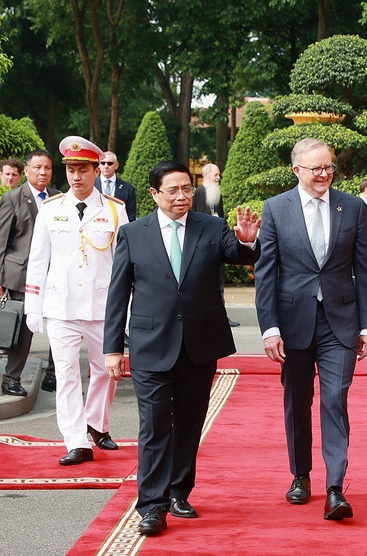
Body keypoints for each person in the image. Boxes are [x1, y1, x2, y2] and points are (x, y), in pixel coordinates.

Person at [104, 161, 261, 536]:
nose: (181, 197)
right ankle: (152, 506)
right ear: (155, 194)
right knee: (155, 427)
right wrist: (113, 348)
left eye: (187, 189)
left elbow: (241, 257)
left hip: (199, 346)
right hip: (150, 345)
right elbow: (117, 294)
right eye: (172, 190)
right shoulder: (133, 233)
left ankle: (179, 492)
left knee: (189, 425)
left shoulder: (211, 226)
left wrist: (247, 240)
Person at [254, 137, 367, 521]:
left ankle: (335, 487)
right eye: (316, 168)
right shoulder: (276, 209)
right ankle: (300, 475)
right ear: (297, 170)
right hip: (292, 324)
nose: (324, 174)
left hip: (340, 323)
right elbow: (266, 273)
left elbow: (365, 270)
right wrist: (269, 328)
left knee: (334, 400)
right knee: (297, 402)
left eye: (329, 167)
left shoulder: (353, 207)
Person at [24, 136, 128, 466]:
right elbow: (38, 260)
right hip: (61, 307)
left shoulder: (115, 210)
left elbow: (125, 265)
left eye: (82, 170)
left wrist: (126, 312)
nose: (75, 177)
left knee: (105, 370)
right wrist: (33, 306)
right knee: (67, 373)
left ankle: (96, 423)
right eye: (70, 170)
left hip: (102, 307)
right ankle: (75, 439)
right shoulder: (51, 209)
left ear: (96, 170)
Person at [0, 150, 59, 396]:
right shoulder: (13, 198)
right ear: (27, 170)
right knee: (23, 331)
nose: (43, 172)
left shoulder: (58, 198)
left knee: (60, 327)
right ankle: (11, 378)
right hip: (21, 275)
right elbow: (2, 240)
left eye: (48, 168)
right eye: (38, 167)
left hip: (54, 275)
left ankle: (53, 375)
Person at [191, 163, 238, 326]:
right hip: (202, 244)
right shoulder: (197, 193)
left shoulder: (217, 193)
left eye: (218, 174)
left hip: (217, 243)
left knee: (219, 281)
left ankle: (221, 316)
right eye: (216, 174)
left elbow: (221, 217)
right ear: (206, 175)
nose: (218, 177)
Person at [95, 150, 137, 222]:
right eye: (103, 163)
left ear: (116, 165)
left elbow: (131, 215)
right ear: (99, 165)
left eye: (110, 163)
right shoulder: (91, 186)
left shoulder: (128, 189)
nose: (106, 166)